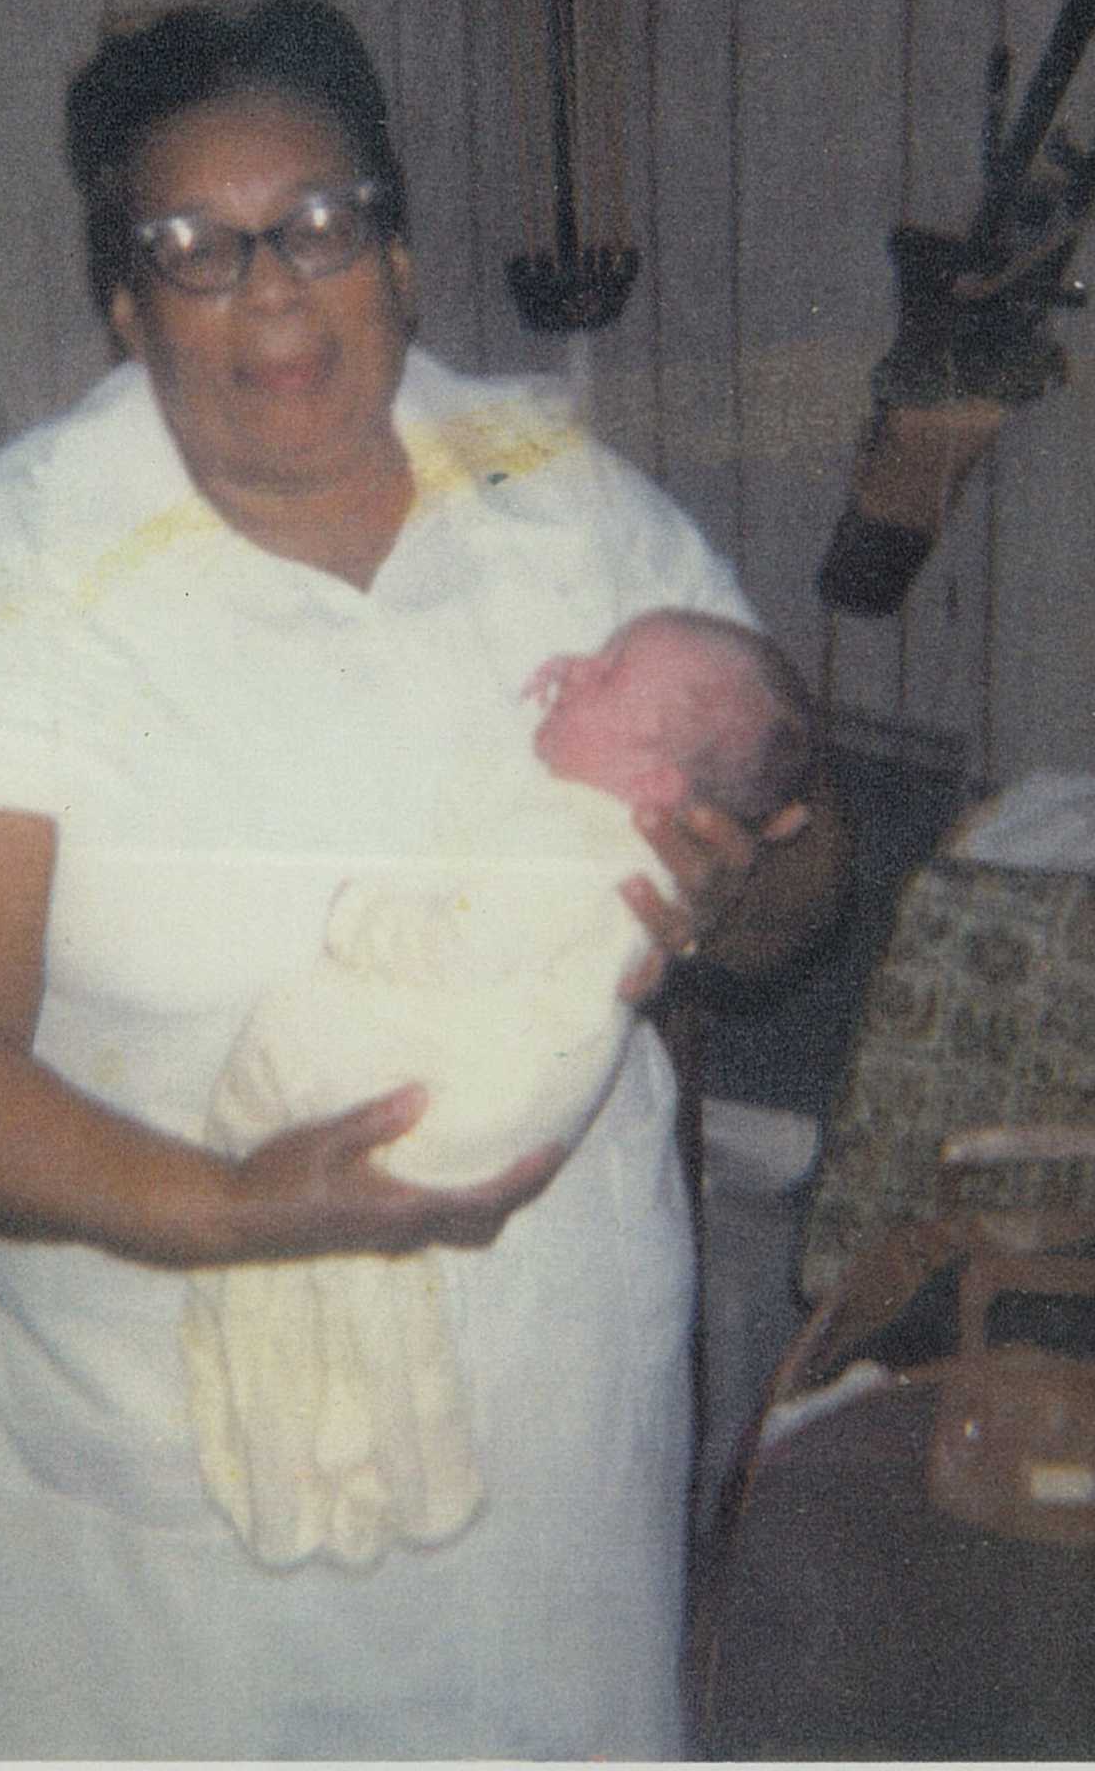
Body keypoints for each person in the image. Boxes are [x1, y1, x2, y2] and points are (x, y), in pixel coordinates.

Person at [0, 0, 848, 1760]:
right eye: (196, 245)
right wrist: (225, 1207)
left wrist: (749, 890)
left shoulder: (559, 498)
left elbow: (801, 852)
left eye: (320, 223)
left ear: (400, 257)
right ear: (124, 299)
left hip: (559, 1436)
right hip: (184, 1489)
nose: (271, 283)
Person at [184, 610, 818, 1573]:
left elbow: (468, 929)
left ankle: (324, 1473)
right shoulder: (595, 797)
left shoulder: (589, 840)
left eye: (606, 675)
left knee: (295, 1056)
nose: (574, 669)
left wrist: (362, 921)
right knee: (360, 1340)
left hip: (470, 1108)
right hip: (480, 1112)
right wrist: (586, 695)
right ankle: (370, 1472)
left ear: (652, 787)